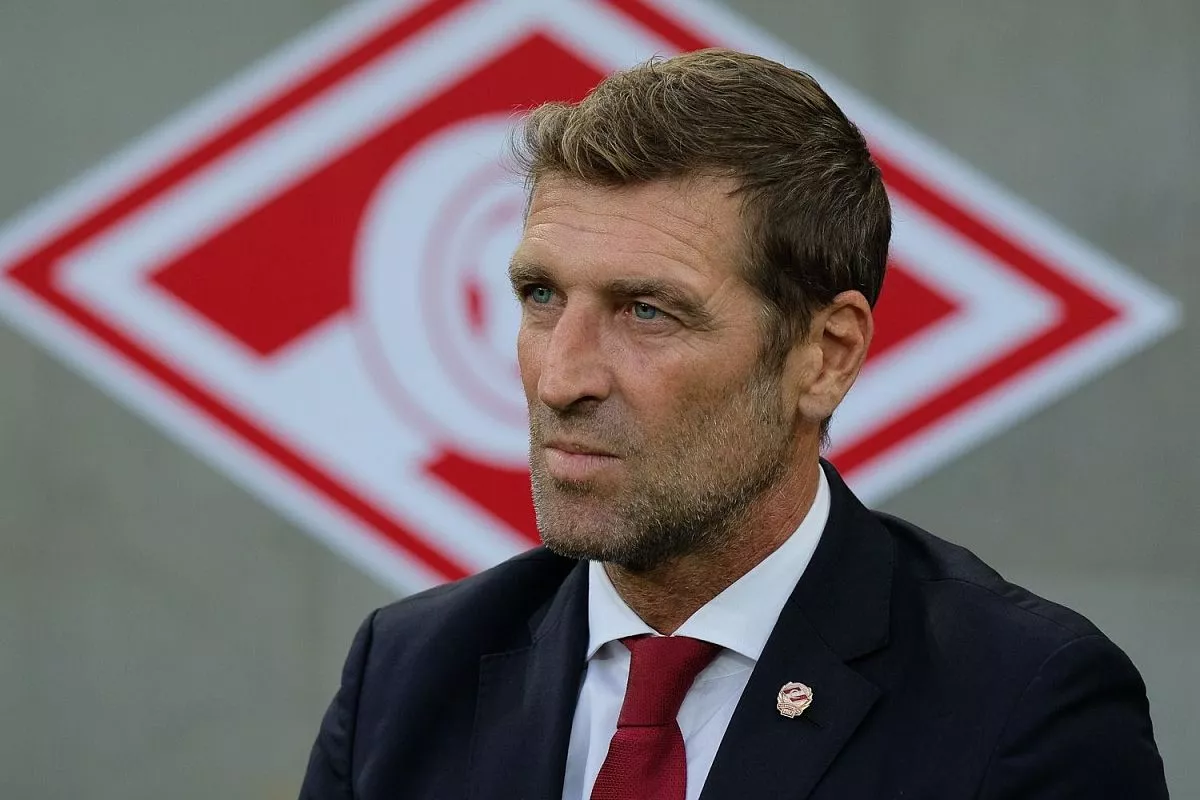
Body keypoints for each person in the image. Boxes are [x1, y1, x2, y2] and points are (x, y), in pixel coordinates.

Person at [299, 49, 1167, 799]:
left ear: (826, 355)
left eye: (647, 311)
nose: (560, 378)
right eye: (541, 295)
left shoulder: (1021, 703)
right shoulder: (404, 678)